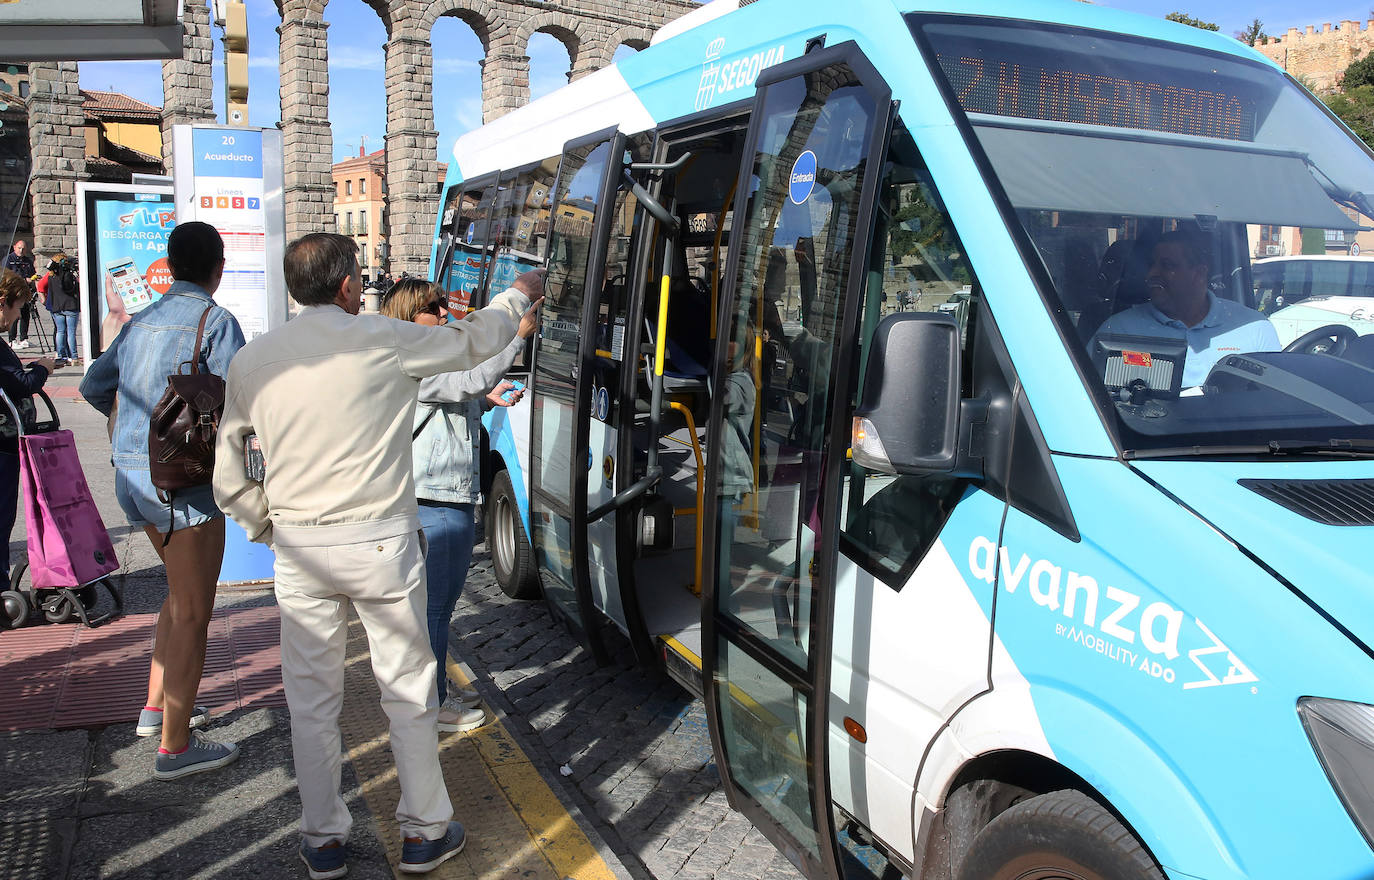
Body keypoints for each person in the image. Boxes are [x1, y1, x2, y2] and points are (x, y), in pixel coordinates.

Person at [212, 233, 543, 878]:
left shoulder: (253, 362)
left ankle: (324, 841)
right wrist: (515, 294)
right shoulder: (381, 339)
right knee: (408, 688)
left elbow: (229, 478)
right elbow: (475, 341)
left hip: (301, 549)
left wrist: (267, 526)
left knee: (311, 702)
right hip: (381, 544)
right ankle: (423, 830)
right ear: (345, 285)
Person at [79, 221, 246, 780]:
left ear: (171, 265)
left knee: (179, 595)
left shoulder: (141, 320)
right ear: (217, 269)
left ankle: (157, 708)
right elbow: (239, 407)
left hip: (133, 478)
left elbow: (94, 386)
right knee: (195, 609)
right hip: (185, 484)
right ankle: (175, 746)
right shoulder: (216, 322)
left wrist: (131, 430)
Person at [379, 278, 537, 734]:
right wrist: (516, 337)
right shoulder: (414, 358)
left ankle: (435, 691)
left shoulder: (421, 356)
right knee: (435, 608)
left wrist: (483, 400)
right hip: (438, 501)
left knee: (435, 606)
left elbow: (459, 394)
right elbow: (466, 380)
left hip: (440, 495)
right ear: (410, 317)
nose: (446, 314)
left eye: (445, 304)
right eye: (434, 307)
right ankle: (432, 706)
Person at [1091, 230, 1280, 387]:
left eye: (1167, 265)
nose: (1152, 274)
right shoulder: (1117, 331)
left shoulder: (1253, 328)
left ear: (1199, 273)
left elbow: (1274, 402)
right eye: (1152, 265)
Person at [0, 270, 53, 580]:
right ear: (3, 302)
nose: (18, 315)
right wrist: (42, 368)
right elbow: (20, 384)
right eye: (18, 307)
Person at [40, 253, 80, 362]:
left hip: (57, 307)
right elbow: (73, 289)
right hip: (70, 306)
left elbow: (42, 286)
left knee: (60, 331)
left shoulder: (51, 276)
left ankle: (61, 355)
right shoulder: (68, 275)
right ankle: (74, 356)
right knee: (71, 332)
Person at [4, 241, 36, 350]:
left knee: (25, 315)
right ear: (14, 247)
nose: (21, 250)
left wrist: (33, 279)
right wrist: (23, 279)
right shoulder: (9, 259)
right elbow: (7, 275)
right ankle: (12, 340)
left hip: (25, 292)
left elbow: (32, 273)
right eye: (19, 248)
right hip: (13, 292)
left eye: (23, 248)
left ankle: (24, 338)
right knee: (14, 316)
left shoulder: (27, 260)